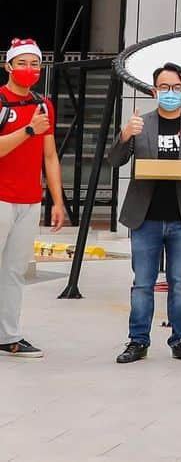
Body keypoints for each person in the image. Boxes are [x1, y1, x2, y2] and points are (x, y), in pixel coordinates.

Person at [109, 62, 181, 364]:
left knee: (180, 284)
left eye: (177, 88)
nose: (170, 93)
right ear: (154, 90)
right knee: (142, 284)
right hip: (145, 217)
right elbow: (114, 160)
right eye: (165, 88)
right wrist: (124, 135)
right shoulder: (140, 123)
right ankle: (137, 341)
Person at [0, 38, 66, 358]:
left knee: (14, 270)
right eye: (22, 63)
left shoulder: (44, 105)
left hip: (29, 200)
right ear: (8, 66)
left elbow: (50, 156)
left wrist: (57, 200)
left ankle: (8, 335)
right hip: (0, 197)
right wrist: (28, 129)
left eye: (35, 64)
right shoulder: (1, 101)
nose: (29, 70)